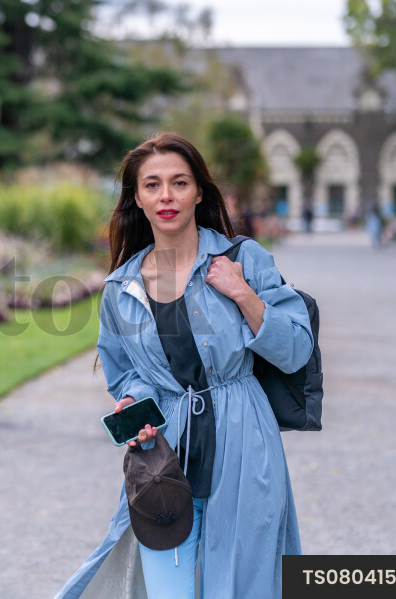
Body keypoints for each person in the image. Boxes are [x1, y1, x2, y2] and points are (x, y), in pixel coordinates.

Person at [55, 134, 314, 599]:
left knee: (244, 587)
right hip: (162, 460)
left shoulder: (243, 260)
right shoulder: (121, 288)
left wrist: (243, 294)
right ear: (138, 198)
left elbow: (295, 350)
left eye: (179, 182)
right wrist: (133, 403)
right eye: (152, 185)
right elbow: (124, 372)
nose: (167, 196)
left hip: (244, 448)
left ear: (199, 191)